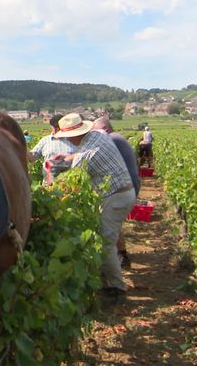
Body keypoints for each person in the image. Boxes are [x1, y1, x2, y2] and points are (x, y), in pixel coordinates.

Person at [54, 113, 135, 303]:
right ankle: (109, 281)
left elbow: (73, 178)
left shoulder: (88, 154)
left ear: (75, 135)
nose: (66, 141)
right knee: (106, 239)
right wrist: (67, 156)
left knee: (106, 243)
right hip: (122, 193)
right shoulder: (99, 135)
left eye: (66, 137)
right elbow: (81, 154)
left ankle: (116, 288)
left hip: (116, 198)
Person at [92, 117, 140, 268]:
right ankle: (121, 254)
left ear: (104, 129)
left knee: (112, 224)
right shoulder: (117, 137)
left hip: (124, 187)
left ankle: (120, 257)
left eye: (96, 131)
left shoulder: (112, 139)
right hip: (128, 185)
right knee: (115, 223)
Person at [27, 114, 78, 183]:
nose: (56, 129)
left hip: (71, 184)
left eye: (58, 127)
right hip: (49, 183)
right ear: (51, 126)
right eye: (54, 127)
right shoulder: (45, 140)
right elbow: (33, 156)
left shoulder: (72, 139)